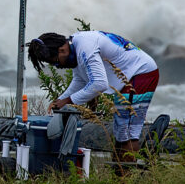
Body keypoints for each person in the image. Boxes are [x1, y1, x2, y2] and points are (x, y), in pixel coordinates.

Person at [27, 30, 159, 163]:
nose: (57, 66)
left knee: (128, 132)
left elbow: (100, 84)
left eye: (55, 62)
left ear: (62, 50)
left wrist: (68, 100)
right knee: (121, 131)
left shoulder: (85, 47)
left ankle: (125, 179)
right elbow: (80, 80)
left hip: (141, 72)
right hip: (130, 75)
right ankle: (119, 176)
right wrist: (61, 99)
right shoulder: (76, 45)